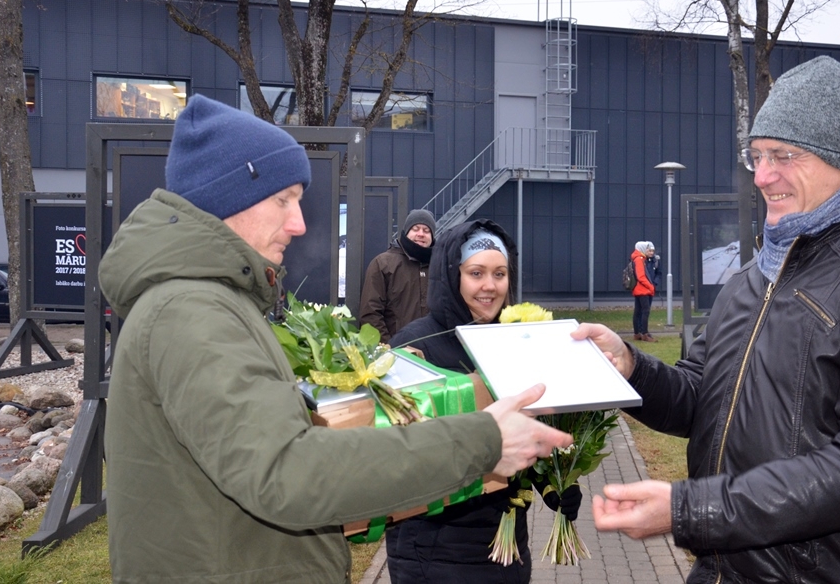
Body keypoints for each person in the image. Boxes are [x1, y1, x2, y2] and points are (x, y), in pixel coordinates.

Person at [98, 95, 572, 583]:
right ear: (227, 197)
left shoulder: (204, 302)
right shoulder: (191, 311)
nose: (299, 223)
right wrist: (481, 440)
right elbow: (286, 472)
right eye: (283, 200)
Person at [574, 56, 840, 583]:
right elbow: (704, 399)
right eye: (756, 155)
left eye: (784, 155)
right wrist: (630, 368)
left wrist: (691, 510)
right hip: (722, 570)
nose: (762, 176)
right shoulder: (754, 276)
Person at [385, 219, 581, 583]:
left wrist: (555, 482)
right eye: (476, 273)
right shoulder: (414, 348)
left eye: (500, 273)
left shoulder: (517, 340)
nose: (490, 286)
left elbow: (531, 427)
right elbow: (396, 457)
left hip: (507, 547)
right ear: (451, 275)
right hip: (434, 551)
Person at [359, 208, 436, 343]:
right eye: (415, 229)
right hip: (395, 354)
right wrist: (389, 349)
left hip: (433, 356)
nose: (421, 234)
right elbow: (371, 314)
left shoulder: (441, 266)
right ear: (406, 232)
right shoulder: (383, 264)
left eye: (426, 230)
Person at [631, 240, 659, 342]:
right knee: (645, 311)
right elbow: (641, 276)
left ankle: (637, 333)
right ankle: (645, 333)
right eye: (647, 248)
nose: (648, 250)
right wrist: (650, 287)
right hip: (643, 289)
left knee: (638, 311)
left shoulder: (638, 258)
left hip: (638, 289)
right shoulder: (639, 259)